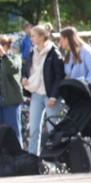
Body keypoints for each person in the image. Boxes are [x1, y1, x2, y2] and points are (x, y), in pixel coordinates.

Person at [22, 25, 64, 156]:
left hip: (50, 95)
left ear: (41, 37)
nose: (31, 38)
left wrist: (54, 96)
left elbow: (59, 76)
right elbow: (26, 69)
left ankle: (56, 157)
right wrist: (24, 78)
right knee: (34, 128)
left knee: (53, 128)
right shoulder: (32, 52)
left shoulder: (54, 53)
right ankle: (32, 157)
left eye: (33, 36)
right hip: (36, 94)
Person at [0, 35, 24, 149]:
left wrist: (4, 55)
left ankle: (17, 158)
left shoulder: (15, 57)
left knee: (13, 130)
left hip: (11, 100)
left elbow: (14, 69)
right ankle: (0, 159)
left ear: (5, 46)